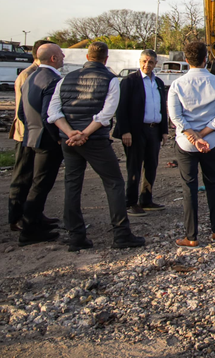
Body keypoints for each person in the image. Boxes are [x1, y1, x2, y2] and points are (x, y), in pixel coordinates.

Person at [47, 41, 145, 252]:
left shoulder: (64, 80)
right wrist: (85, 134)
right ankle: (121, 233)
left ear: (87, 57)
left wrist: (70, 132)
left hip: (70, 140)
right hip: (95, 140)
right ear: (106, 59)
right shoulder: (110, 80)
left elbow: (53, 112)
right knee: (114, 183)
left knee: (72, 185)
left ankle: (76, 236)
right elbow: (106, 114)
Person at [167, 41, 215, 248]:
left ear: (186, 61)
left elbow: (175, 116)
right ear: (206, 59)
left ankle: (191, 236)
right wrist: (203, 134)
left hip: (186, 143)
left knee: (189, 187)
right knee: (212, 184)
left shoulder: (177, 85)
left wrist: (193, 136)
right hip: (210, 141)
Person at [16, 43, 66, 245]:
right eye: (61, 53)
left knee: (36, 183)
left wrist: (31, 130)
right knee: (41, 185)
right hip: (47, 141)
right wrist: (57, 137)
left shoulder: (31, 77)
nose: (63, 56)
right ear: (53, 58)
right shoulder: (53, 80)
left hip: (32, 137)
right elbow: (50, 115)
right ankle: (29, 230)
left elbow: (21, 112)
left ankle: (36, 220)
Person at [7, 40, 59, 232]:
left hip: (33, 133)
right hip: (27, 135)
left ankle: (34, 215)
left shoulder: (39, 73)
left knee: (35, 178)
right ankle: (17, 217)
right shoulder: (29, 75)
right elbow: (24, 110)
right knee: (23, 177)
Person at [114, 49, 169, 216]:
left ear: (155, 64)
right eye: (144, 61)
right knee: (134, 167)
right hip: (136, 131)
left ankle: (146, 198)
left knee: (151, 165)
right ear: (140, 62)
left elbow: (162, 107)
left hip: (154, 129)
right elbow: (121, 108)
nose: (147, 65)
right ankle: (130, 202)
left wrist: (164, 131)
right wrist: (125, 131)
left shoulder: (158, 82)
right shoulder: (130, 81)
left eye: (150, 62)